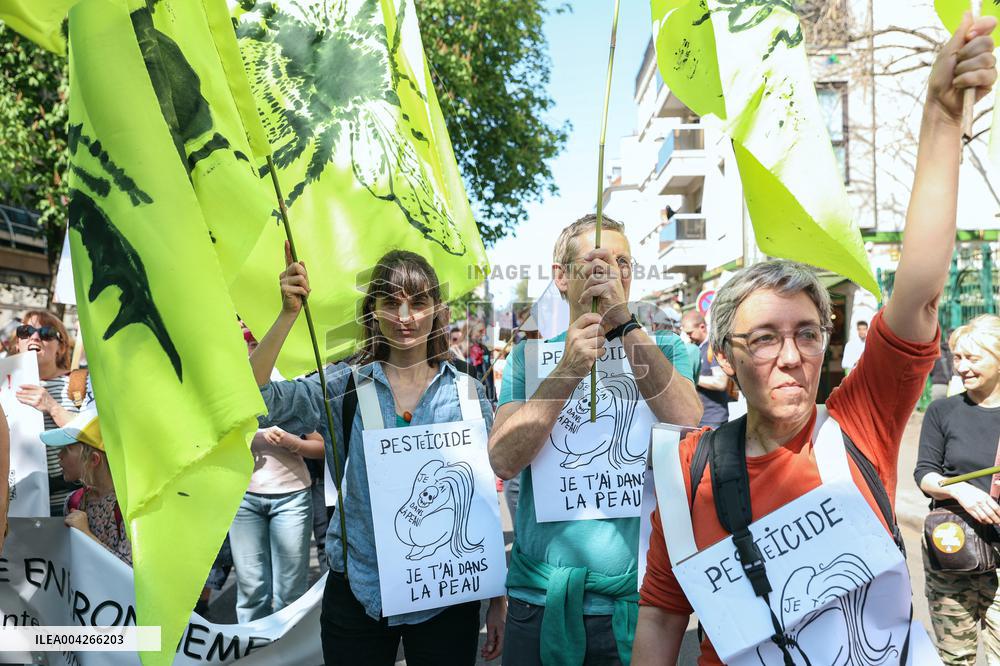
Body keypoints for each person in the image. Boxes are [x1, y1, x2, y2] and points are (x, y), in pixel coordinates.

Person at [633, 16, 997, 664]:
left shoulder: (859, 424)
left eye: (807, 333)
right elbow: (663, 619)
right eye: (765, 338)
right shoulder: (689, 474)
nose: (793, 354)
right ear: (724, 356)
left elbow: (916, 292)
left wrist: (942, 122)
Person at [250, 244, 505, 665]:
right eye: (392, 302)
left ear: (438, 311)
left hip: (447, 595)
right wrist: (288, 314)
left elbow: (479, 501)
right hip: (359, 593)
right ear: (373, 311)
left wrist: (496, 595)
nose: (405, 318)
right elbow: (255, 400)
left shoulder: (467, 393)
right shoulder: (343, 388)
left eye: (418, 303)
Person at [488, 214, 702, 665]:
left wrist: (624, 324)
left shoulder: (666, 347)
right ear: (562, 277)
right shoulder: (529, 357)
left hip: (635, 601)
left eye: (622, 262)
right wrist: (566, 371)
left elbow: (686, 420)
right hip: (540, 598)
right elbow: (503, 459)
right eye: (596, 262)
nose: (611, 272)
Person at [915, 314, 1000, 664]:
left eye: (972, 358)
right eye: (957, 358)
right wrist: (961, 490)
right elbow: (925, 474)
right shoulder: (942, 411)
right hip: (953, 550)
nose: (961, 367)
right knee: (956, 657)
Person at [14, 310, 90, 516]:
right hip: (15, 503)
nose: (35, 337)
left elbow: (95, 435)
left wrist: (52, 406)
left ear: (61, 347)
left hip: (70, 504)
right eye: (26, 331)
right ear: (17, 343)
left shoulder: (79, 382)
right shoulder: (5, 385)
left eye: (46, 333)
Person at [43, 408, 131, 566]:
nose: (59, 455)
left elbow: (130, 570)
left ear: (93, 459)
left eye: (67, 449)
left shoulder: (127, 505)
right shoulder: (74, 501)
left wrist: (85, 534)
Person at [681, 310, 730, 429]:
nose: (688, 336)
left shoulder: (712, 347)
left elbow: (721, 382)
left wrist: (692, 378)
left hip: (714, 419)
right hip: (698, 418)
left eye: (690, 333)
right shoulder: (695, 347)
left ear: (702, 327)